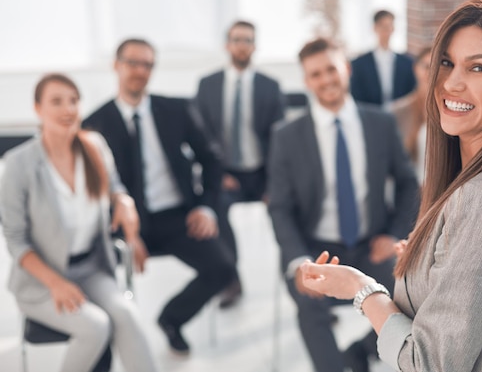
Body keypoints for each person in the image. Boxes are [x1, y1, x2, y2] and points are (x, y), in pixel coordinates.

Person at [299, 0, 482, 371]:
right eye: (446, 63)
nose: (451, 83)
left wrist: (360, 289)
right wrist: (435, 259)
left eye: (479, 68)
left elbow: (429, 362)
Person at [268, 38, 419, 372]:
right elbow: (279, 207)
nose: (326, 80)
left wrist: (394, 235)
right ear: (307, 81)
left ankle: (361, 352)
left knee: (417, 295)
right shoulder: (287, 135)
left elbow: (409, 183)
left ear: (346, 70)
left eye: (331, 70)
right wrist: (298, 261)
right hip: (314, 248)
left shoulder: (379, 122)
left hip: (372, 244)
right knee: (310, 304)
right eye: (316, 74)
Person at [83, 39, 236, 355]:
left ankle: (171, 319)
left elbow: (212, 158)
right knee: (98, 278)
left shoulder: (176, 109)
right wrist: (128, 231)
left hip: (178, 215)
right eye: (132, 63)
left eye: (147, 64)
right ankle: (107, 341)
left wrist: (206, 207)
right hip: (123, 222)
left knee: (223, 267)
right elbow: (93, 190)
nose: (140, 71)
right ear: (116, 65)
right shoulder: (95, 124)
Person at [0, 74, 157, 372]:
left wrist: (122, 200)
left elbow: (114, 185)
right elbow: (16, 240)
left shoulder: (94, 146)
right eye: (56, 101)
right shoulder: (19, 164)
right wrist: (56, 283)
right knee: (95, 327)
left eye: (73, 100)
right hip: (42, 282)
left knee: (127, 314)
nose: (68, 108)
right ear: (37, 109)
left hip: (92, 268)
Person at [195, 20, 285, 308]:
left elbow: (280, 142)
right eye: (237, 39)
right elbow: (201, 137)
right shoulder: (208, 85)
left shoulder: (270, 87)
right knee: (216, 208)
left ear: (254, 46)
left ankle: (304, 282)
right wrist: (218, 174)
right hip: (226, 173)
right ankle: (231, 278)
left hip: (262, 172)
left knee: (289, 211)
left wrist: (274, 183)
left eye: (248, 40)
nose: (242, 45)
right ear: (227, 44)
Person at [350, 10, 416, 107]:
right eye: (383, 26)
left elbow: (411, 94)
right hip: (370, 116)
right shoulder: (359, 64)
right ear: (375, 28)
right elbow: (356, 97)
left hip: (400, 116)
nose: (387, 30)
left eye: (390, 26)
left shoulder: (407, 63)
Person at [390, 46, 432, 183]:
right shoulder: (398, 111)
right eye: (426, 67)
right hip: (410, 192)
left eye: (436, 67)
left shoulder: (450, 110)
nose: (430, 73)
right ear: (416, 69)